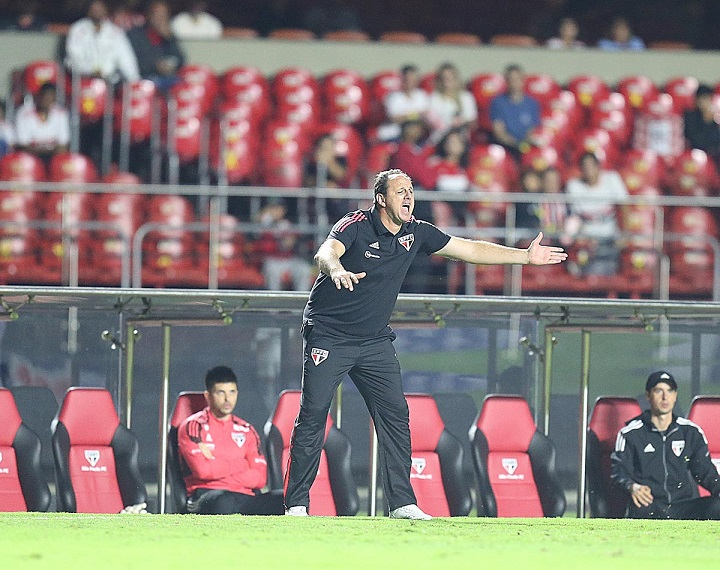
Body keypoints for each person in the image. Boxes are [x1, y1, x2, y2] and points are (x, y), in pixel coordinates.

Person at [284, 168, 567, 519]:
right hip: (329, 333)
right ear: (380, 199)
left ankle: (402, 503)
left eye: (411, 190)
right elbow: (326, 251)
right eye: (400, 191)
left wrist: (524, 257)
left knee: (397, 416)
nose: (408, 196)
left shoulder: (417, 231)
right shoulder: (354, 225)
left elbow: (469, 249)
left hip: (373, 340)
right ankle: (296, 505)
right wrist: (336, 269)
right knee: (313, 416)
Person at [177, 366, 285, 515]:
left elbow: (260, 478)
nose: (228, 399)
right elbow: (203, 471)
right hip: (207, 495)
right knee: (224, 501)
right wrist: (242, 464)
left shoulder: (246, 430)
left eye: (232, 392)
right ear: (208, 396)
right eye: (221, 392)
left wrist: (217, 465)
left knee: (285, 499)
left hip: (245, 496)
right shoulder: (194, 426)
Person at [611, 371, 720, 519]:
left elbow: (705, 472)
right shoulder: (631, 433)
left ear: (675, 396)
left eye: (669, 391)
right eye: (658, 391)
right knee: (640, 507)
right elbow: (619, 472)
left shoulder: (690, 432)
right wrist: (632, 487)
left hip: (685, 506)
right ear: (648, 395)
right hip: (651, 506)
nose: (665, 397)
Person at [564, 152, 628, 276]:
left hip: (609, 236)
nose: (588, 170)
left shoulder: (612, 179)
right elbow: (573, 217)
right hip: (586, 237)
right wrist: (580, 237)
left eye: (591, 166)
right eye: (585, 167)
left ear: (598, 167)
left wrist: (625, 234)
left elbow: (624, 207)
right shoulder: (573, 186)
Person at [65, 0, 140, 84]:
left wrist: (135, 82)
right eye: (94, 6)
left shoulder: (115, 32)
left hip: (109, 82)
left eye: (100, 7)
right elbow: (73, 57)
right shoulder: (77, 29)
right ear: (88, 9)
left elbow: (127, 60)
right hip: (82, 79)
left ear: (105, 9)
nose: (97, 10)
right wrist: (92, 71)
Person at [127, 0, 185, 91]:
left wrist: (169, 39)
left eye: (163, 16)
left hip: (168, 79)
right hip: (145, 80)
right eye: (157, 15)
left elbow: (181, 60)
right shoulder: (135, 35)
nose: (160, 19)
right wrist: (155, 66)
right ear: (149, 15)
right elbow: (133, 62)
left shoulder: (169, 37)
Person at [490, 64, 541, 160]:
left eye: (517, 79)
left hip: (527, 146)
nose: (514, 83)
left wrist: (523, 144)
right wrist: (515, 144)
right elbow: (499, 131)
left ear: (523, 81)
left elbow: (533, 129)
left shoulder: (532, 103)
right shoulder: (498, 103)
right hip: (506, 147)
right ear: (506, 82)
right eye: (511, 79)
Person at [14, 83, 70, 163]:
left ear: (54, 98)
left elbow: (63, 146)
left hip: (53, 159)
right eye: (44, 96)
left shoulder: (61, 114)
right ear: (38, 96)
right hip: (30, 159)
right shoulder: (24, 113)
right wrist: (49, 150)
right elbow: (23, 146)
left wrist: (43, 150)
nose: (46, 99)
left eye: (50, 96)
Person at [426, 62, 477, 144]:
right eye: (444, 78)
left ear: (456, 79)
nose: (447, 81)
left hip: (460, 141)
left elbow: (472, 121)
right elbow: (430, 121)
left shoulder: (466, 97)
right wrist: (447, 125)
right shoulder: (434, 98)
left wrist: (461, 122)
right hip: (439, 140)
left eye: (450, 78)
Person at [380, 64, 430, 141]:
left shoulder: (422, 96)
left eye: (413, 79)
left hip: (417, 136)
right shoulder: (393, 97)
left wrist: (406, 116)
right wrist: (416, 115)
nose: (410, 82)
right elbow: (395, 118)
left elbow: (426, 115)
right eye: (407, 79)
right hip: (394, 134)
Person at [683, 83, 720, 163]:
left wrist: (711, 121)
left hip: (714, 155)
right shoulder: (689, 117)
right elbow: (697, 142)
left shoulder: (715, 118)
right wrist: (707, 122)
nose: (703, 102)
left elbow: (716, 140)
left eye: (706, 99)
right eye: (701, 99)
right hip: (694, 155)